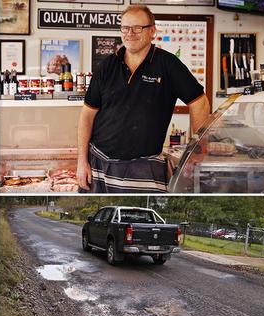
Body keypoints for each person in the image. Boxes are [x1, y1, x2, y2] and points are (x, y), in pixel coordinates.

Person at [77, 5, 210, 193]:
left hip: (144, 167)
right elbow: (87, 115)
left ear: (152, 31)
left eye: (137, 28)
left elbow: (200, 103)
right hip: (99, 162)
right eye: (125, 28)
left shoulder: (168, 64)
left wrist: (196, 152)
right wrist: (81, 161)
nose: (130, 33)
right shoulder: (108, 65)